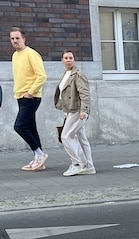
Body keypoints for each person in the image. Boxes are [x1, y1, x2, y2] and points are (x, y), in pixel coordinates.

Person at [9, 27, 49, 170]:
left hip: (31, 97)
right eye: (12, 38)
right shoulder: (15, 55)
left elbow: (42, 76)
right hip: (20, 96)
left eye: (17, 38)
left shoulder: (31, 54)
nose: (15, 41)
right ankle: (38, 158)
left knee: (19, 126)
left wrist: (30, 92)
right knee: (31, 127)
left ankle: (40, 153)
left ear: (24, 39)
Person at [53, 50, 95, 176]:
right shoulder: (66, 74)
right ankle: (89, 166)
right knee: (81, 138)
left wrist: (84, 110)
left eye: (70, 58)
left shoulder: (78, 74)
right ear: (62, 60)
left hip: (77, 110)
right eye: (66, 58)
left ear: (74, 60)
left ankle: (78, 164)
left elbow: (84, 93)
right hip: (69, 110)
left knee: (66, 136)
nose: (68, 60)